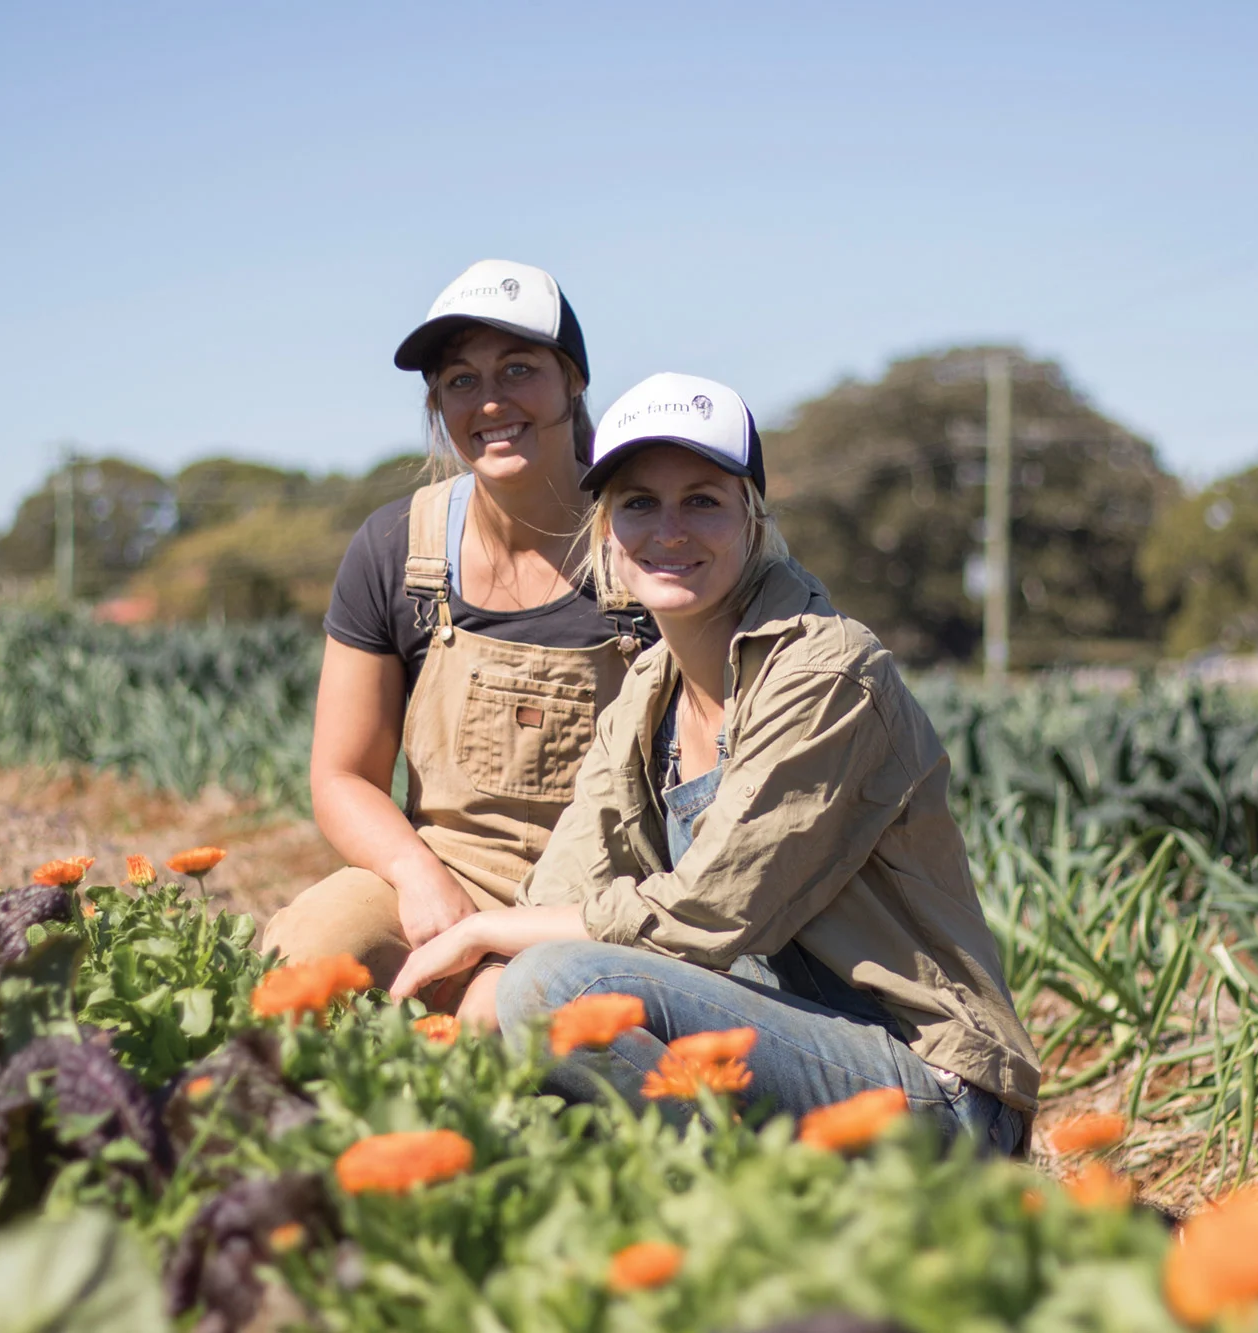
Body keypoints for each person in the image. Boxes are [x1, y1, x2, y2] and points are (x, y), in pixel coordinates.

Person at [388, 372, 1040, 1151]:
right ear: (605, 534)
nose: (670, 530)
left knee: (560, 988)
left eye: (702, 499)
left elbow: (714, 911)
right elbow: (569, 876)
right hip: (775, 1044)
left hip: (930, 1084)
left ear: (752, 521)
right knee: (523, 1000)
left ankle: (743, 1215)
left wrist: (488, 935)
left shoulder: (826, 673)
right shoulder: (648, 692)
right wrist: (492, 966)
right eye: (638, 503)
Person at [262, 261, 654, 1022]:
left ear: (572, 380)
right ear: (438, 403)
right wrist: (414, 873)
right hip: (447, 873)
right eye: (461, 381)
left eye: (519, 369)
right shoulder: (398, 550)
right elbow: (342, 775)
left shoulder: (646, 544)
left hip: (607, 898)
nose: (491, 401)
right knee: (302, 958)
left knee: (503, 1021)